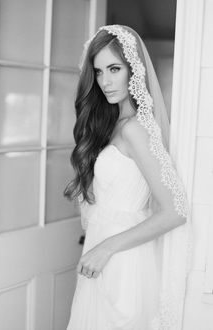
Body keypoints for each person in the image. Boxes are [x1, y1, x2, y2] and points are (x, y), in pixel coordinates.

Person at [64, 25, 191, 330]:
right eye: (98, 72)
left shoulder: (135, 130)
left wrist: (106, 248)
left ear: (134, 69)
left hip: (123, 261)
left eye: (114, 69)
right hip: (100, 257)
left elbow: (176, 212)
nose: (105, 81)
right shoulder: (111, 125)